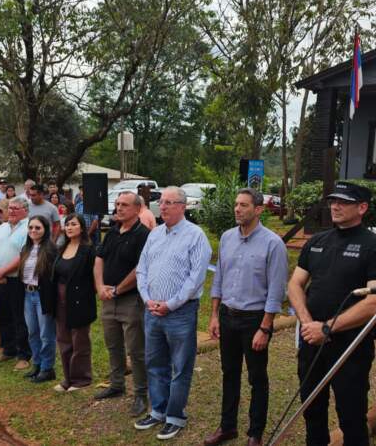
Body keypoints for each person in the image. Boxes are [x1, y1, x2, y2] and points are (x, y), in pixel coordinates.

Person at [287, 181, 376, 446]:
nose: (335, 206)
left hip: (351, 346)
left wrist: (328, 328)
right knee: (312, 409)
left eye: (343, 202)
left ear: (362, 208)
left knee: (351, 415)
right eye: (333, 201)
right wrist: (308, 324)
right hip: (312, 341)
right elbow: (295, 284)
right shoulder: (318, 241)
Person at [205, 188, 289, 446]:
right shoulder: (227, 237)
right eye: (236, 204)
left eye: (243, 205)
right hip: (228, 317)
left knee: (257, 377)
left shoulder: (273, 243)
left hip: (254, 320)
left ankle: (255, 433)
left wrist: (265, 328)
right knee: (229, 373)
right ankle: (227, 427)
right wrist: (214, 315)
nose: (237, 209)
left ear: (258, 210)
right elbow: (219, 278)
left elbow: (276, 290)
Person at [134, 187, 211, 440]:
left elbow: (196, 278)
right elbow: (142, 269)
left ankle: (175, 416)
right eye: (161, 202)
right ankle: (157, 410)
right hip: (153, 310)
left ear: (182, 206)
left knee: (180, 366)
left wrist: (171, 304)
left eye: (169, 202)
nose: (163, 206)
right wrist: (147, 299)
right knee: (155, 363)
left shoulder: (195, 236)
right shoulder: (155, 234)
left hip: (180, 313)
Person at [93, 191, 151, 415]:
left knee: (136, 350)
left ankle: (140, 393)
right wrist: (100, 287)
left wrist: (117, 289)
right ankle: (117, 385)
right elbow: (99, 259)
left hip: (130, 300)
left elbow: (140, 269)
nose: (119, 208)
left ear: (137, 209)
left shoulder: (143, 235)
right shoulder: (113, 232)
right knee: (113, 345)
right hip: (108, 299)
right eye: (117, 204)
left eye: (124, 205)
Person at [52, 214, 96, 392]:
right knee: (63, 338)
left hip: (80, 300)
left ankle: (81, 378)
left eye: (74, 224)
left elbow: (95, 276)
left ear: (82, 228)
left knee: (80, 340)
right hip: (61, 299)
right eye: (67, 224)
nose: (69, 227)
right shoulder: (61, 248)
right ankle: (68, 377)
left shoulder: (88, 250)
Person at [0, 198, 32, 370]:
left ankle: (23, 354)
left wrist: (2, 272)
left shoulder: (29, 227)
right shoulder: (1, 228)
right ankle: (8, 349)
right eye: (10, 208)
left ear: (25, 211)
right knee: (3, 314)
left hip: (16, 279)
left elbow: (24, 255)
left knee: (19, 316)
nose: (11, 211)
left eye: (16, 208)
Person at [19, 215, 58, 383]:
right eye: (30, 228)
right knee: (32, 332)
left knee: (45, 334)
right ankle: (37, 363)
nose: (33, 231)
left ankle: (47, 368)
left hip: (43, 295)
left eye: (37, 228)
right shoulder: (25, 248)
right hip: (28, 294)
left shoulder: (50, 249)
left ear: (45, 229)